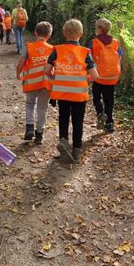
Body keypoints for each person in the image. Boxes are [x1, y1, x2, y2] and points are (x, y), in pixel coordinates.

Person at [45, 19, 98, 163]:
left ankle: (63, 142)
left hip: (62, 93)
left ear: (64, 33)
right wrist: (84, 79)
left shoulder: (57, 50)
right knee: (78, 121)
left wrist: (56, 78)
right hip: (79, 94)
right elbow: (95, 75)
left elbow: (47, 71)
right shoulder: (85, 52)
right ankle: (77, 150)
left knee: (63, 117)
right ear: (81, 33)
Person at [16, 22, 53, 145]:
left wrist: (18, 73)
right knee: (42, 108)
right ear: (49, 35)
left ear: (35, 32)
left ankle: (29, 128)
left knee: (30, 104)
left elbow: (21, 63)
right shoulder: (52, 49)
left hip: (31, 83)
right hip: (46, 84)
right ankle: (39, 135)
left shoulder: (28, 47)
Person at [89, 18, 122, 133]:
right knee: (109, 100)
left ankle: (100, 112)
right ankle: (109, 123)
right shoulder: (116, 42)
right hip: (112, 78)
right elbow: (119, 58)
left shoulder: (94, 42)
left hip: (99, 77)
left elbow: (89, 59)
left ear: (99, 29)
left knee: (96, 97)